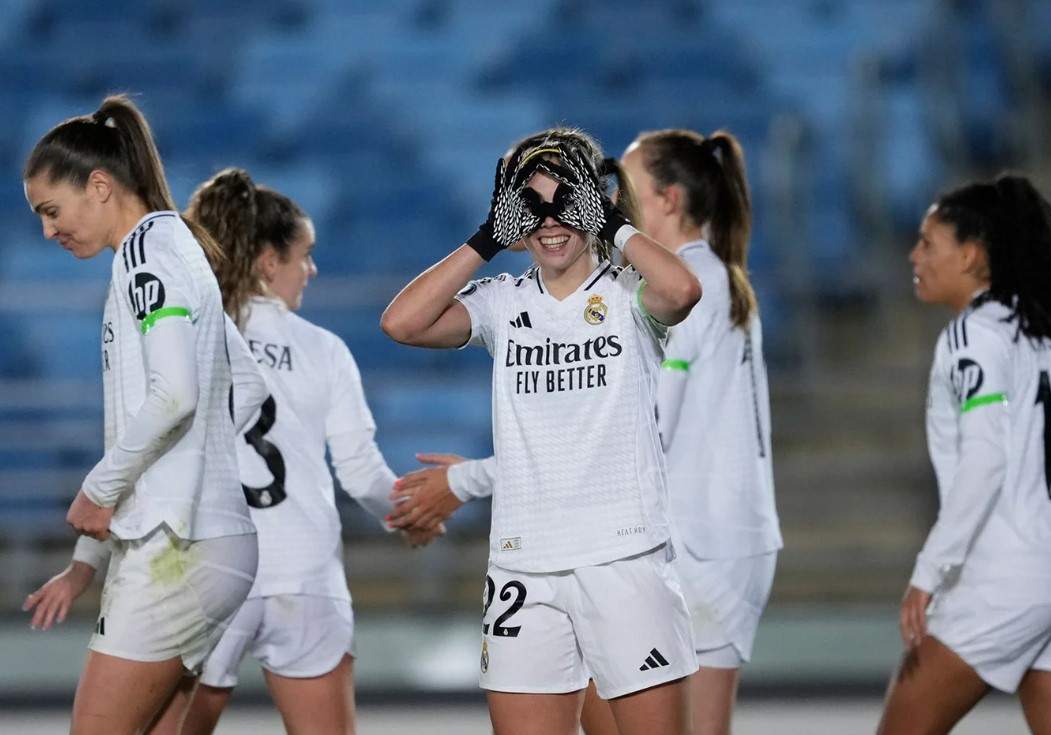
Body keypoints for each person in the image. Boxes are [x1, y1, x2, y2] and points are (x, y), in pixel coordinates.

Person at [389, 129, 782, 735]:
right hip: (524, 567)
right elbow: (402, 322)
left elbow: (683, 290)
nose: (550, 220)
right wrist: (489, 236)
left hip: (623, 558)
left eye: (566, 202)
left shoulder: (630, 295)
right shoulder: (500, 302)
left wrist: (610, 224)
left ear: (594, 203)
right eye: (532, 204)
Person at [152, 168, 434, 735]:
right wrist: (410, 513)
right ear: (267, 261)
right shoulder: (322, 348)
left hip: (207, 568)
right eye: (303, 255)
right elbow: (359, 472)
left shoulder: (184, 332)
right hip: (303, 571)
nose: (312, 269)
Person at [21, 95, 260, 734]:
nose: (47, 230)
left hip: (175, 550)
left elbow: (176, 395)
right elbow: (250, 387)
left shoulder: (145, 255)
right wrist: (87, 561)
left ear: (98, 185)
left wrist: (100, 489)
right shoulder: (176, 247)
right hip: (210, 540)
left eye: (51, 211)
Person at [877, 174, 1051, 735]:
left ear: (970, 255)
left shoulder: (971, 337)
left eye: (928, 242)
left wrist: (928, 572)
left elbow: (985, 461)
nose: (914, 254)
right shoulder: (1045, 334)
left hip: (1008, 578)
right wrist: (1049, 506)